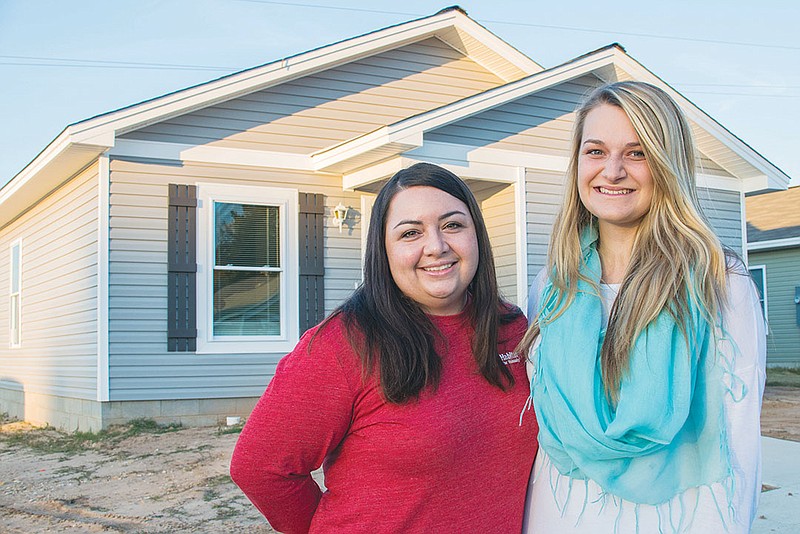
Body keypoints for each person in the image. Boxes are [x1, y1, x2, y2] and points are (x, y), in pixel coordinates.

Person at [230, 162, 538, 533]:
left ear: (477, 236)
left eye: (453, 225)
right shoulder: (345, 344)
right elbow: (259, 467)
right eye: (410, 233)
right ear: (384, 249)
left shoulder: (511, 327)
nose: (436, 247)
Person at [519, 81, 766, 533]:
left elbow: (739, 440)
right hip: (559, 515)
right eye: (595, 151)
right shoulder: (552, 287)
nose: (612, 171)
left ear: (667, 165)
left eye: (638, 153)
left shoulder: (719, 282)